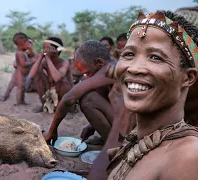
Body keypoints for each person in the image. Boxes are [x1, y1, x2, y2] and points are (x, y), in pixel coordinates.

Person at [107, 11, 198, 180]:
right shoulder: (139, 140)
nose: (134, 68)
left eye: (155, 57)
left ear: (188, 77)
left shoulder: (188, 158)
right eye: (129, 54)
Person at [45, 40, 120, 144]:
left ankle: (115, 145)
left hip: (132, 130)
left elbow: (68, 99)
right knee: (94, 92)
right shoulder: (111, 66)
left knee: (88, 100)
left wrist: (52, 130)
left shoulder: (111, 70)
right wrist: (93, 125)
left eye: (88, 73)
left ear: (99, 62)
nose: (87, 76)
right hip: (125, 123)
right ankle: (108, 139)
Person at [26, 37, 73, 113]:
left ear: (57, 51)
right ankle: (44, 104)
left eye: (47, 48)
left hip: (66, 96)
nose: (45, 50)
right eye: (44, 48)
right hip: (52, 92)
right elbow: (31, 75)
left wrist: (48, 58)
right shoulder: (44, 62)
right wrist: (41, 57)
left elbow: (57, 78)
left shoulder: (64, 62)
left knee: (62, 80)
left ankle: (65, 109)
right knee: (37, 75)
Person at [1, 35, 35, 102]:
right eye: (28, 43)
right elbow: (15, 64)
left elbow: (33, 56)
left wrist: (30, 50)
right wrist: (30, 62)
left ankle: (19, 100)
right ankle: (6, 96)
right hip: (20, 71)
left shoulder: (27, 51)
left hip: (25, 73)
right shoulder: (20, 52)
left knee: (21, 86)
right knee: (14, 84)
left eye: (30, 43)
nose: (29, 45)